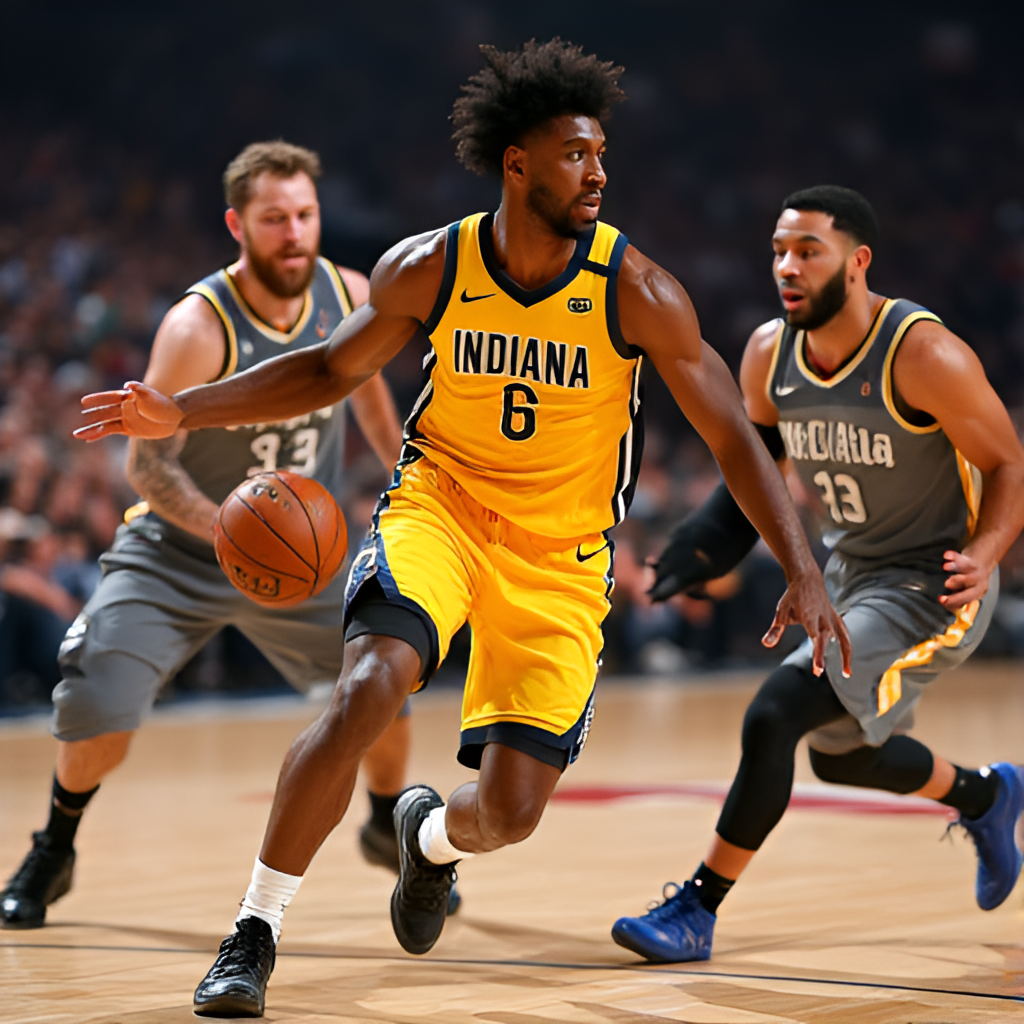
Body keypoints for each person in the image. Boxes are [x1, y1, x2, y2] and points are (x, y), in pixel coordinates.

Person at [77, 42, 848, 1018]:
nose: (598, 172)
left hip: (560, 557)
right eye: (575, 154)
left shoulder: (634, 289)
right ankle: (254, 929)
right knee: (367, 688)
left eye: (602, 153)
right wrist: (181, 411)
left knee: (512, 814)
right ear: (516, 163)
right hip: (439, 511)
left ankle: (428, 838)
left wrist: (802, 565)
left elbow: (733, 434)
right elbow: (325, 368)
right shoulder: (430, 265)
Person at [0, 140, 446, 930]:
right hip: (180, 549)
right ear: (238, 224)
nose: (295, 232)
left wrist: (409, 477)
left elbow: (372, 401)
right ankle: (54, 845)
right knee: (99, 692)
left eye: (305, 215)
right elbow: (148, 467)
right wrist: (228, 531)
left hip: (302, 557)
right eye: (275, 219)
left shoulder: (348, 294)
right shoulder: (196, 326)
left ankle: (383, 823)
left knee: (384, 681)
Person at [612, 185, 1024, 963]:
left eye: (808, 251)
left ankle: (696, 909)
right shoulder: (769, 352)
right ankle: (988, 793)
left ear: (858, 262)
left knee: (775, 712)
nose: (787, 267)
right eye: (778, 251)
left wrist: (988, 550)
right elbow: (758, 466)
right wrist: (707, 539)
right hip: (850, 572)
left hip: (932, 584)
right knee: (841, 753)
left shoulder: (923, 354)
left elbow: (1008, 461)